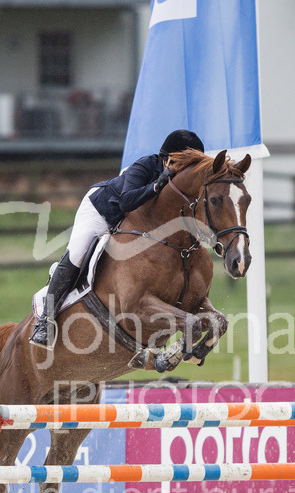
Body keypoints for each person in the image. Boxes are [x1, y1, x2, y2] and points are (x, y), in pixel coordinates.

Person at [29, 129, 205, 349]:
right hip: (101, 211)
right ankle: (45, 320)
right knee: (77, 255)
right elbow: (126, 202)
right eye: (185, 165)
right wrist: (156, 185)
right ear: (168, 159)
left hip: (130, 224)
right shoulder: (145, 166)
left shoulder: (180, 183)